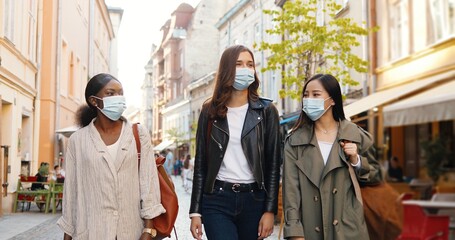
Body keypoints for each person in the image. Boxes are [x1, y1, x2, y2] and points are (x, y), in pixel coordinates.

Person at [57, 73, 165, 240]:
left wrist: (148, 229)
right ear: (94, 101)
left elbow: (148, 182)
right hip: (92, 231)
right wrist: (68, 235)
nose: (118, 98)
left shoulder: (138, 134)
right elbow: (71, 192)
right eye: (110, 93)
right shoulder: (78, 141)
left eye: (120, 93)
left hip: (131, 230)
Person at [189, 45, 281, 240]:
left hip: (254, 200)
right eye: (238, 64)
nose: (245, 69)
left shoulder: (267, 111)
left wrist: (270, 210)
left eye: (250, 64)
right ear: (227, 69)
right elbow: (201, 163)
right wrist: (195, 211)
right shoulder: (209, 111)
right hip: (217, 199)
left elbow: (273, 164)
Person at [282, 74, 382, 240]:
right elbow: (291, 192)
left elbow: (376, 175)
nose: (309, 100)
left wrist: (356, 160)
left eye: (316, 94)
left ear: (333, 99)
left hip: (348, 229)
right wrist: (295, 232)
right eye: (306, 95)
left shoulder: (355, 135)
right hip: (310, 229)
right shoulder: (295, 142)